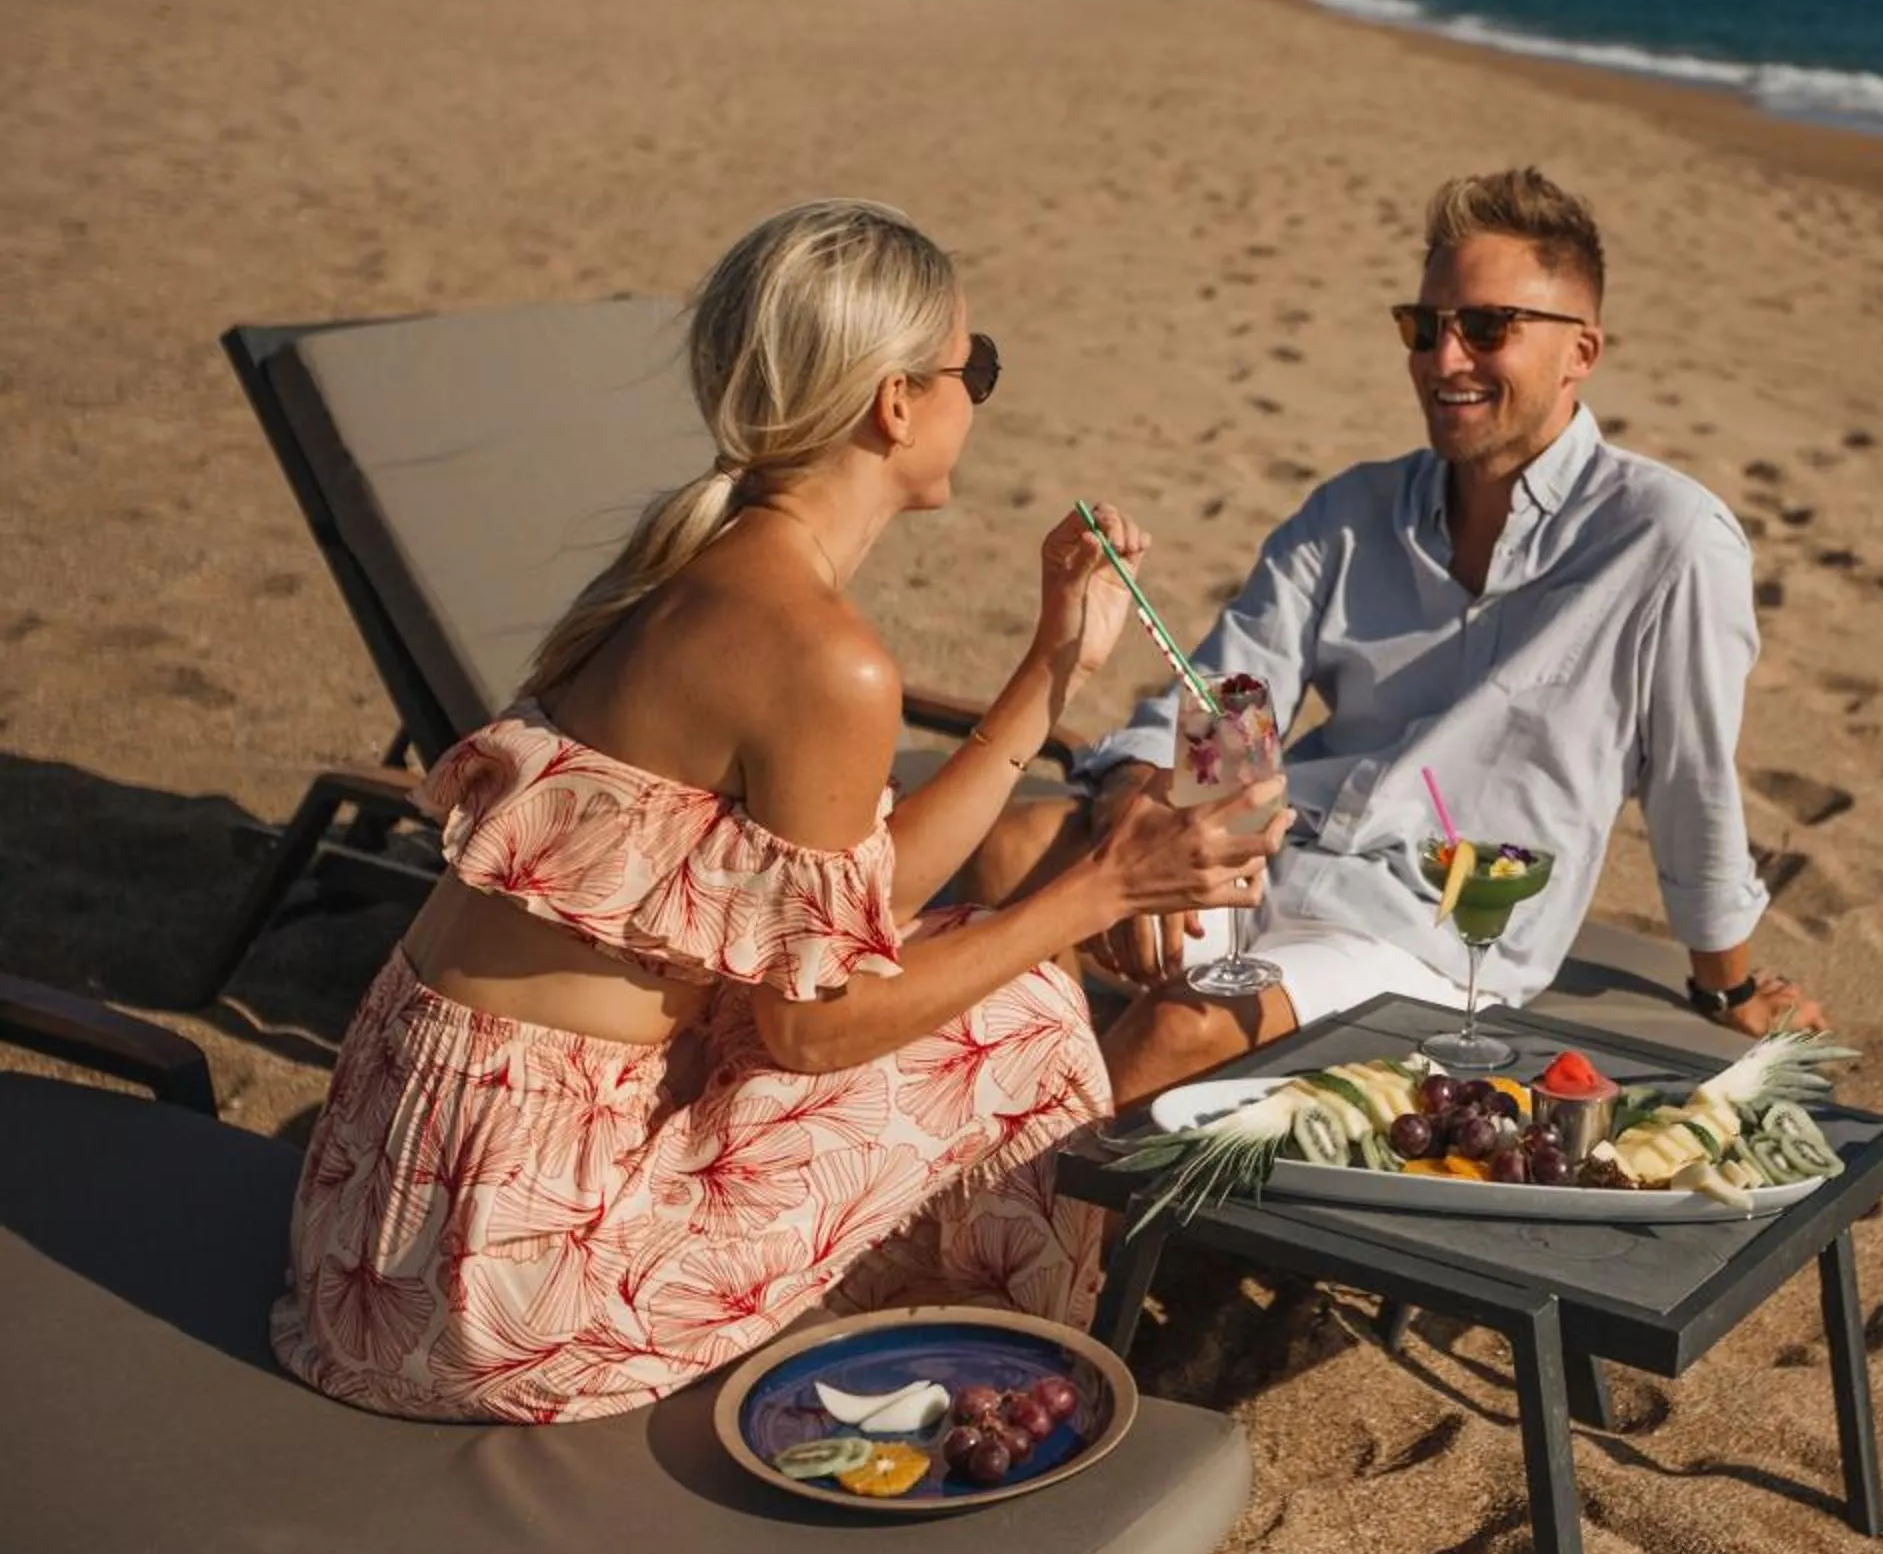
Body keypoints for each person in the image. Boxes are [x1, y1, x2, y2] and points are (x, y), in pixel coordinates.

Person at [272, 200, 1285, 1422]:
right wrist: (1102, 886)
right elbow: (809, 1031)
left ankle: (927, 1339)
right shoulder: (823, 658)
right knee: (1019, 1021)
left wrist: (1051, 669)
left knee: (973, 962)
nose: (983, 395)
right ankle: (993, 1380)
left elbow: (834, 912)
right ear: (896, 404)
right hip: (506, 1285)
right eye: (983, 367)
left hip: (374, 1217)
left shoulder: (676, 569)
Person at [1066, 168, 1826, 1109]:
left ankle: (1007, 1239)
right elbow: (1230, 688)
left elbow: (1693, 783)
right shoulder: (1355, 509)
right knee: (1026, 858)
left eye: (1487, 328)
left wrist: (1730, 981)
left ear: (1581, 350)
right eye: (1425, 327)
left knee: (1180, 1027)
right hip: (1261, 858)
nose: (1444, 357)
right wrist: (1136, 804)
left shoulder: (1667, 539)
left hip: (1421, 934)